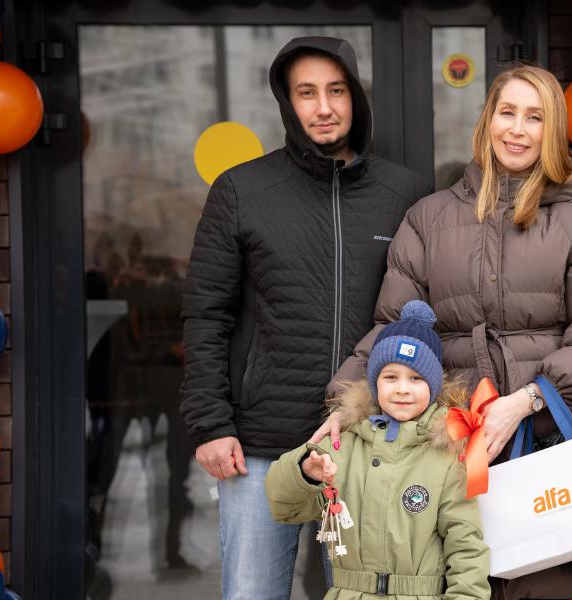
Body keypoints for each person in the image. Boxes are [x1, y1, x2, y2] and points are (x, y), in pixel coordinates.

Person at [325, 65, 572, 597]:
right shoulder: (428, 219)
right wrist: (344, 405)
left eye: (534, 117)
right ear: (487, 120)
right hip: (445, 451)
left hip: (545, 446)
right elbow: (393, 329)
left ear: (552, 131)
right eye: (507, 112)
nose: (517, 129)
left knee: (540, 582)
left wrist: (529, 400)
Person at [180, 36, 431, 600]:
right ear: (287, 102)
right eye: (307, 92)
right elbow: (205, 315)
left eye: (336, 91)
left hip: (371, 447)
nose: (323, 107)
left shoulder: (405, 193)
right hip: (260, 450)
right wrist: (211, 424)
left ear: (355, 98)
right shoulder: (242, 190)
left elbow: (421, 315)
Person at [264, 300, 490, 600]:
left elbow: (466, 546)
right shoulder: (342, 446)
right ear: (374, 383)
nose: (402, 389)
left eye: (416, 378)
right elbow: (283, 505)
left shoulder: (447, 457)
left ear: (434, 386)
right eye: (390, 377)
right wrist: (305, 471)